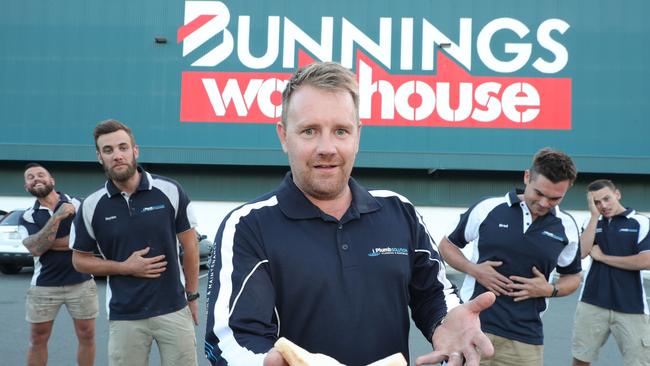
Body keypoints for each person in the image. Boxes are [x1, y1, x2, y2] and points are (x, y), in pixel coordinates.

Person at [204, 61, 496, 366]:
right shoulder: (248, 226)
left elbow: (435, 293)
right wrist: (265, 362)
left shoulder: (400, 212)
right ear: (283, 136)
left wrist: (445, 321)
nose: (326, 147)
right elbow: (229, 339)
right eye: (309, 131)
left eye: (340, 131)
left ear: (357, 135)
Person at [71, 119, 200, 366]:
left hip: (173, 309)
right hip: (125, 316)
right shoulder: (92, 205)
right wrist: (124, 267)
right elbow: (79, 260)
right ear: (99, 157)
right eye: (108, 150)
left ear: (135, 151)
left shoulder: (170, 190)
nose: (117, 155)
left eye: (122, 147)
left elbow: (191, 245)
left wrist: (192, 296)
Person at [438, 147, 583, 366]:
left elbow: (572, 277)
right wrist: (473, 269)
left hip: (526, 341)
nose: (544, 203)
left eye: (555, 198)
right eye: (539, 193)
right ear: (527, 177)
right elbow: (446, 245)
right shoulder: (489, 208)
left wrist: (550, 289)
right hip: (472, 328)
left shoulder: (567, 227)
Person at [19, 162, 99, 366]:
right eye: (30, 177)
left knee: (87, 335)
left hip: (81, 282)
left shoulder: (79, 204)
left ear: (51, 180)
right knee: (38, 338)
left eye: (40, 175)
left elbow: (91, 239)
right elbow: (35, 249)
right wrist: (59, 216)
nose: (36, 178)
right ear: (27, 187)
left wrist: (47, 242)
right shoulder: (27, 216)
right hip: (44, 286)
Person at [571, 179, 650, 366]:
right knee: (581, 360)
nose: (603, 205)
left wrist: (604, 258)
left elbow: (646, 261)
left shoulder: (640, 222)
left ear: (617, 194)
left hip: (632, 307)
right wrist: (592, 217)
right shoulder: (591, 223)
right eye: (597, 202)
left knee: (639, 363)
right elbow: (581, 253)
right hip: (592, 303)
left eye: (606, 198)